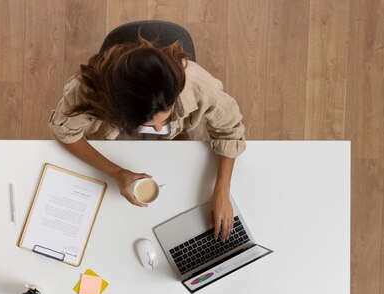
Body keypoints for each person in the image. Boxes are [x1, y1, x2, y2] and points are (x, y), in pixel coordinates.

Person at [49, 37, 246, 241]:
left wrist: (222, 191)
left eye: (166, 116)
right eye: (151, 124)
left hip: (180, 146)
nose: (160, 128)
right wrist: (116, 172)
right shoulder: (84, 91)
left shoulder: (196, 82)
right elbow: (64, 133)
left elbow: (230, 130)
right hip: (114, 144)